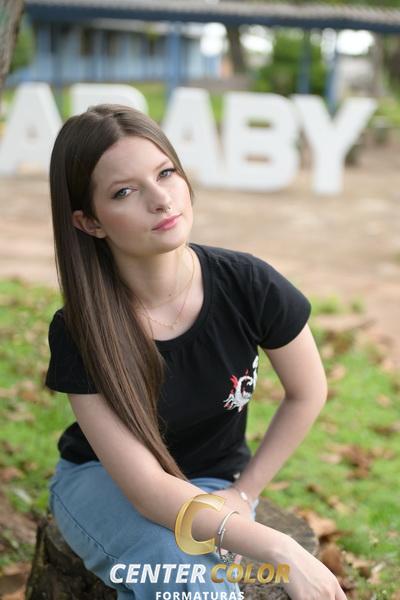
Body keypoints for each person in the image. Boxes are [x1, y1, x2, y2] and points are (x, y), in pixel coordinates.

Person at [45, 103, 347, 600]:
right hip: (103, 482)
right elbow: (147, 492)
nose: (161, 199)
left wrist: (245, 492)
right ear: (90, 222)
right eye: (124, 192)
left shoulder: (248, 283)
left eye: (166, 173)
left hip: (212, 481)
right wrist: (281, 549)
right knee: (176, 569)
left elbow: (307, 390)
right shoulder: (82, 329)